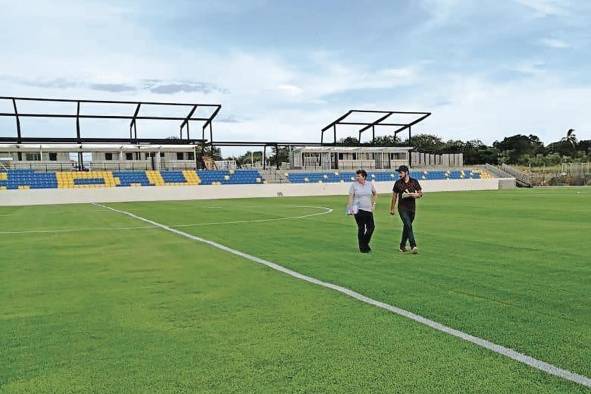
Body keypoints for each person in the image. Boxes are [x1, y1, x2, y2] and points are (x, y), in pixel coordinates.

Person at [390, 165, 423, 254]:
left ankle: (402, 245)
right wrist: (392, 208)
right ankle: (413, 245)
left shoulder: (414, 182)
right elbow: (394, 196)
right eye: (399, 173)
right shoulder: (398, 183)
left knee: (407, 226)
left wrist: (412, 194)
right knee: (408, 225)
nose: (399, 175)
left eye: (401, 173)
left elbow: (420, 194)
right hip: (402, 208)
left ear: (406, 173)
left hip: (412, 208)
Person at [347, 169, 377, 253]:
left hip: (368, 209)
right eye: (356, 176)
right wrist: (350, 208)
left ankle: (364, 244)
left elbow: (375, 193)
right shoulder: (354, 185)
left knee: (371, 227)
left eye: (358, 176)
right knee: (361, 228)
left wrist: (374, 204)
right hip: (357, 208)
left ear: (364, 177)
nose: (357, 177)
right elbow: (350, 196)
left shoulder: (369, 184)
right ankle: (362, 248)